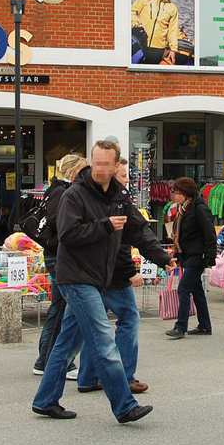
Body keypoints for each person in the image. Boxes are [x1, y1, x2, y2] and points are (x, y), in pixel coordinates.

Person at [32, 140, 175, 424]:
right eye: (95, 163)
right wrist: (105, 225)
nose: (99, 168)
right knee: (103, 340)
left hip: (98, 278)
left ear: (116, 165)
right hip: (76, 278)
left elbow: (139, 230)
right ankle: (125, 406)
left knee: (66, 344)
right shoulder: (75, 194)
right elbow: (68, 234)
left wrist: (162, 257)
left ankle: (45, 401)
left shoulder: (119, 195)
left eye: (105, 164)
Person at [75, 157, 149, 395]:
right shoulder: (112, 200)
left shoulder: (99, 196)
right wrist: (131, 272)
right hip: (111, 277)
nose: (127, 180)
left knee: (93, 328)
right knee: (128, 319)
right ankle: (124, 377)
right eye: (124, 175)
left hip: (92, 276)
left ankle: (87, 377)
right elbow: (121, 245)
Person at [32, 154, 88, 378]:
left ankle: (45, 361)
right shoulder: (61, 192)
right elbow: (60, 222)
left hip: (58, 255)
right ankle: (56, 362)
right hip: (59, 256)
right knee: (65, 311)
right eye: (83, 170)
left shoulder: (59, 190)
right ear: (72, 171)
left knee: (59, 309)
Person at [165, 177, 216, 338]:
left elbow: (210, 234)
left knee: (183, 288)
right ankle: (205, 325)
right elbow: (182, 236)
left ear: (186, 193)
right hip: (188, 254)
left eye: (178, 193)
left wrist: (210, 257)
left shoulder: (199, 209)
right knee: (197, 290)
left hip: (198, 255)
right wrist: (178, 256)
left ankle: (180, 326)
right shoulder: (183, 210)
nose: (175, 196)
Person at [130, 0, 180, 65]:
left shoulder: (173, 8)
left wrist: (173, 49)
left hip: (158, 49)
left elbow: (173, 30)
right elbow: (131, 12)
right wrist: (137, 23)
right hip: (140, 43)